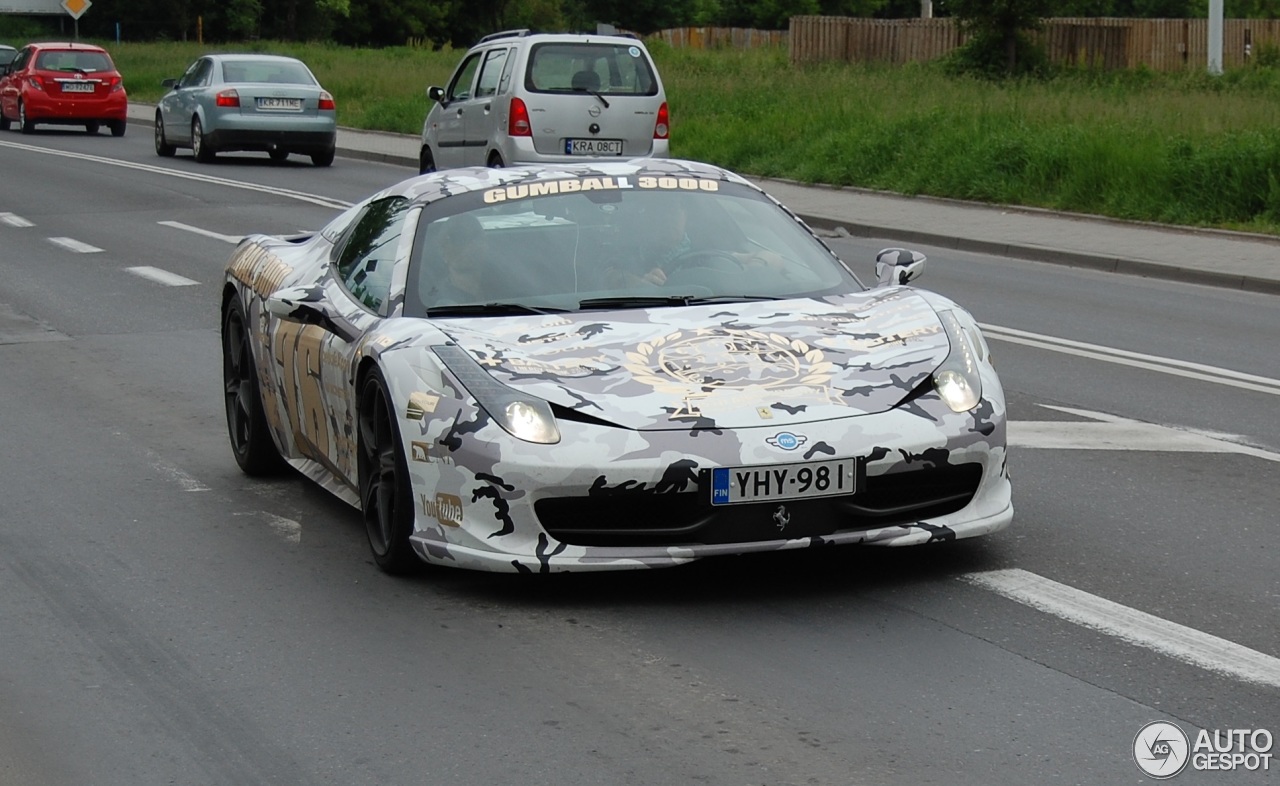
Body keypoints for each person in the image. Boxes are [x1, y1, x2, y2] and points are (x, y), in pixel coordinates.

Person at [421, 213, 488, 306]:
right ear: (443, 250)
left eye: (476, 237)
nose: (470, 246)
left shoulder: (505, 286)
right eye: (459, 239)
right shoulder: (433, 302)